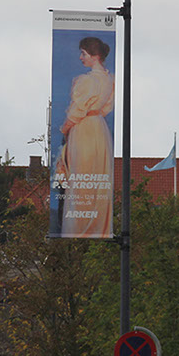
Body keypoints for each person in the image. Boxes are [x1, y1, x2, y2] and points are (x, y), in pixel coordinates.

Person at [57, 36, 115, 237]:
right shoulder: (109, 79)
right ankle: (97, 227)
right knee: (98, 181)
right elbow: (107, 108)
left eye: (84, 53)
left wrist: (65, 129)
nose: (81, 57)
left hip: (84, 130)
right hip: (100, 129)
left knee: (80, 180)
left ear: (95, 56)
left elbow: (76, 111)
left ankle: (79, 228)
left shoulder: (86, 81)